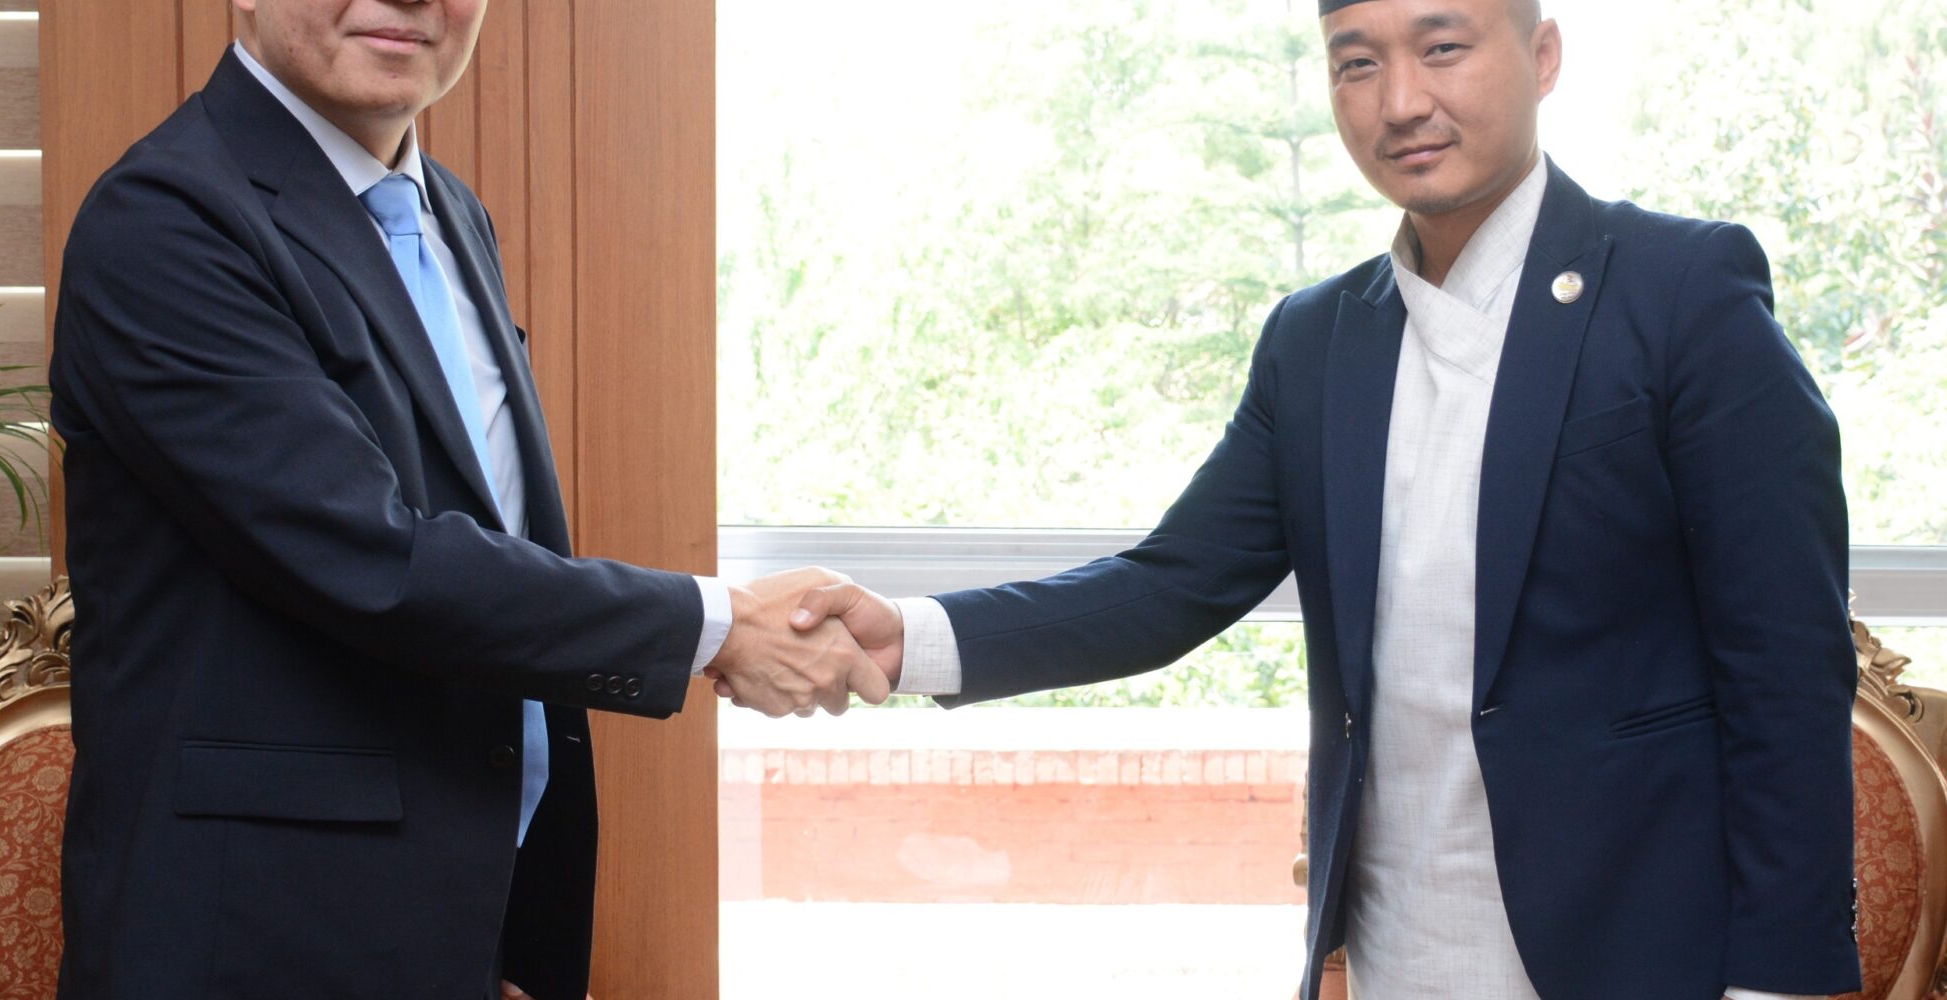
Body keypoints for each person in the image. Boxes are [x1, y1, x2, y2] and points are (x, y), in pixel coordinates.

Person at [757, 0, 1862, 997]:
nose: (1401, 101)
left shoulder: (1681, 292)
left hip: (1639, 946)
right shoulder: (1317, 338)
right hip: (1394, 941)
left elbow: (1784, 663)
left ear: (1541, 57)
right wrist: (905, 638)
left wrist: (1783, 981)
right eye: (1355, 62)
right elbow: (1169, 586)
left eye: (1441, 47)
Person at [47, 1, 882, 997]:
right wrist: (718, 627)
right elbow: (373, 559)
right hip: (257, 938)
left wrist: (490, 940)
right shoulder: (165, 221)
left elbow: (488, 544)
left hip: (454, 922)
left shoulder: (449, 212)